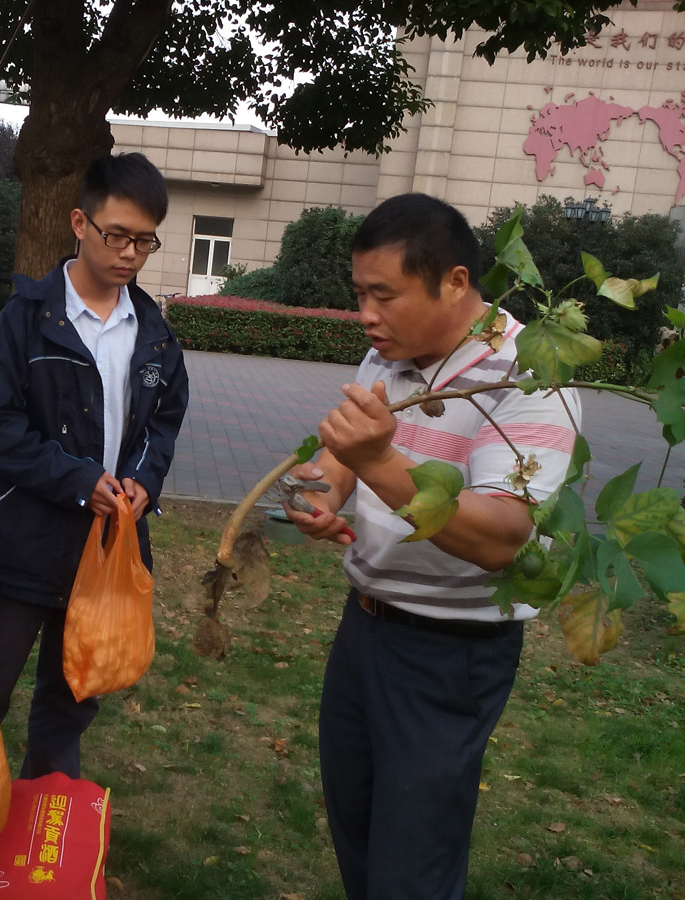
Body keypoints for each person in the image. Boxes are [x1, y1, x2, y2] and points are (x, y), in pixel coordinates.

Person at [283, 193, 581, 899]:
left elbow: (503, 536)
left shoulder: (530, 374)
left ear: (454, 282)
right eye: (360, 294)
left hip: (451, 654)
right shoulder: (386, 357)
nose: (366, 315)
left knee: (412, 866)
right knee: (358, 831)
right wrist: (314, 496)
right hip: (364, 629)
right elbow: (337, 461)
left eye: (383, 295)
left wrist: (380, 462)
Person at [0, 151, 189, 779]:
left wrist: (144, 481)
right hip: (21, 547)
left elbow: (165, 422)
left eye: (144, 241)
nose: (129, 254)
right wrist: (76, 479)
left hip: (107, 551)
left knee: (71, 700)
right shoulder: (27, 319)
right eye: (116, 235)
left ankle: (48, 815)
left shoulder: (154, 332)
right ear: (78, 223)